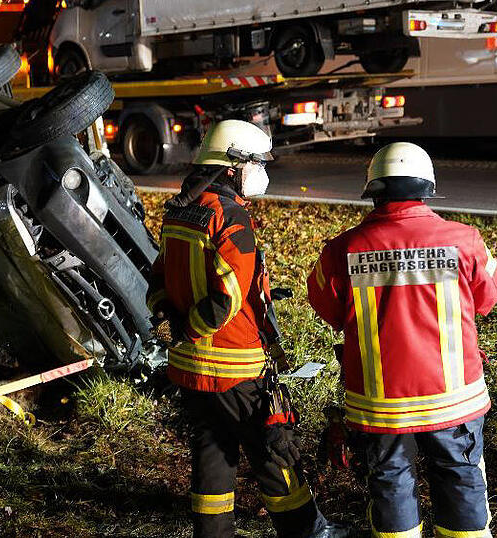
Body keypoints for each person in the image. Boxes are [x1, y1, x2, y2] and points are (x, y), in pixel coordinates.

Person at [147, 119, 348, 538]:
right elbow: (230, 294)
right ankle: (308, 531)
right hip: (234, 368)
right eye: (257, 162)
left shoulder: (180, 211)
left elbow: (157, 282)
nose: (262, 170)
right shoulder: (230, 216)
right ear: (233, 167)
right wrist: (193, 327)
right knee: (273, 450)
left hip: (190, 370)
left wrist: (179, 326)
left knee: (212, 456)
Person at [307, 142, 497, 538]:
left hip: (380, 404)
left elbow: (326, 305)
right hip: (454, 399)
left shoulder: (342, 249)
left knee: (390, 482)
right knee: (461, 478)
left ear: (374, 190)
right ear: (426, 187)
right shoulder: (464, 240)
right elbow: (489, 295)